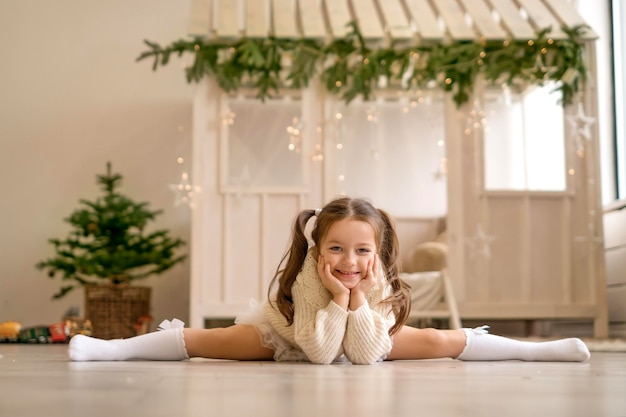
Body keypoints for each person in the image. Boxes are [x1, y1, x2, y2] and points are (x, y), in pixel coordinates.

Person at [68, 197, 590, 363]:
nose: (349, 260)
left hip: (365, 332)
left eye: (362, 251)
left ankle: (536, 352)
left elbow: (365, 356)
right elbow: (319, 352)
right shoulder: (311, 278)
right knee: (218, 340)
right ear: (319, 250)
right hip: (297, 334)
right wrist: (339, 295)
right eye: (336, 249)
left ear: (378, 253)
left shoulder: (375, 277)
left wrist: (358, 297)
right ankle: (111, 351)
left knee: (437, 338)